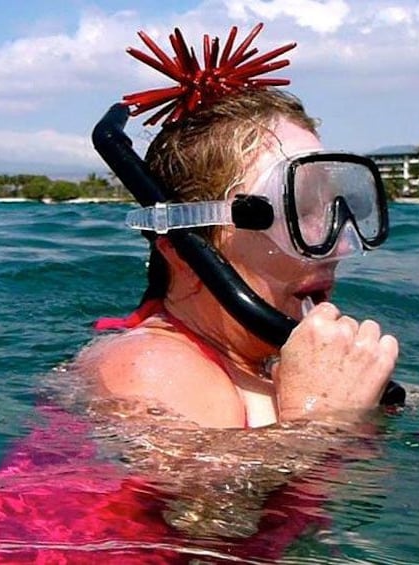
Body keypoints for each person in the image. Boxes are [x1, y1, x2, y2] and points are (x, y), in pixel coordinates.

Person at [77, 27, 400, 430]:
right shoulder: (154, 371)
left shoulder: (262, 361)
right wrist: (322, 423)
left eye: (338, 206)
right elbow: (202, 497)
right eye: (296, 210)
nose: (340, 246)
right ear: (186, 256)